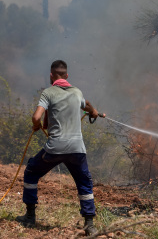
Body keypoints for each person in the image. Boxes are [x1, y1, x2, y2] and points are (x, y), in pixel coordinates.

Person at [17, 59, 104, 236]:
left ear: (51, 76)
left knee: (32, 172)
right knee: (84, 183)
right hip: (76, 149)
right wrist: (94, 111)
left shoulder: (48, 93)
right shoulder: (77, 92)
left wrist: (36, 125)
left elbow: (36, 118)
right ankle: (89, 224)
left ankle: (30, 216)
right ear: (67, 76)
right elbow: (86, 105)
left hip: (55, 148)